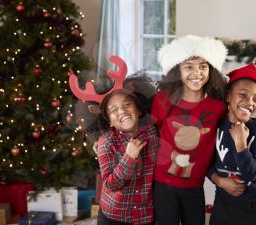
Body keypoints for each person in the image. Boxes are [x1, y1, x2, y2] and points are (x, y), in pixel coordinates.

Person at [151, 34, 228, 225]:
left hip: (195, 185)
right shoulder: (163, 99)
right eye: (189, 67)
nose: (197, 72)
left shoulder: (218, 107)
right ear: (178, 71)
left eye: (203, 66)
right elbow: (151, 131)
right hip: (163, 183)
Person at [208, 64, 256, 225]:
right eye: (242, 95)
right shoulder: (216, 123)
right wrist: (219, 181)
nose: (249, 102)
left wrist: (241, 144)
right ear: (229, 96)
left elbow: (252, 174)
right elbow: (204, 160)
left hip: (252, 206)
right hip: (222, 200)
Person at [96, 87, 159, 225]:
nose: (122, 111)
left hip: (144, 215)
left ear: (139, 111)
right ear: (110, 121)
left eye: (127, 105)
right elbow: (110, 185)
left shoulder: (152, 133)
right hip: (114, 216)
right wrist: (129, 157)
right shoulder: (106, 142)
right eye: (114, 110)